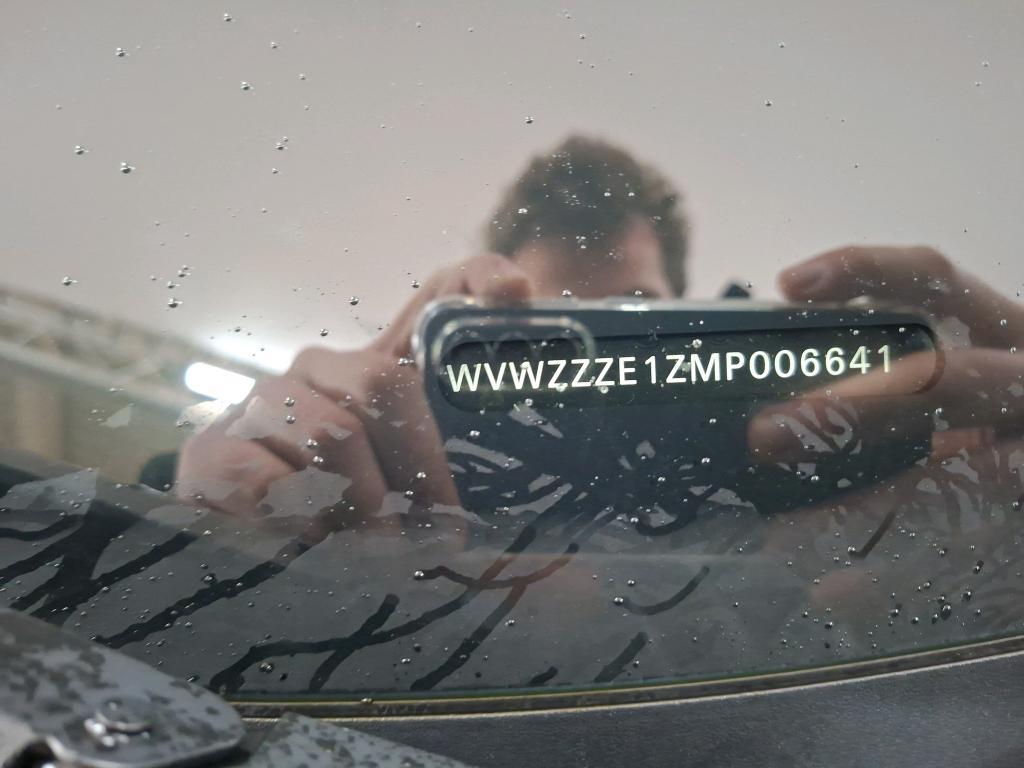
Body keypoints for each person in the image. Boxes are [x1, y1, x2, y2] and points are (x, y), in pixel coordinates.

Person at [176, 134, 1024, 524]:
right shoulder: (395, 456)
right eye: (542, 337)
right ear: (463, 333)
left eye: (635, 317)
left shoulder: (811, 456)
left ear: (694, 312)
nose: (596, 364)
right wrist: (223, 487)